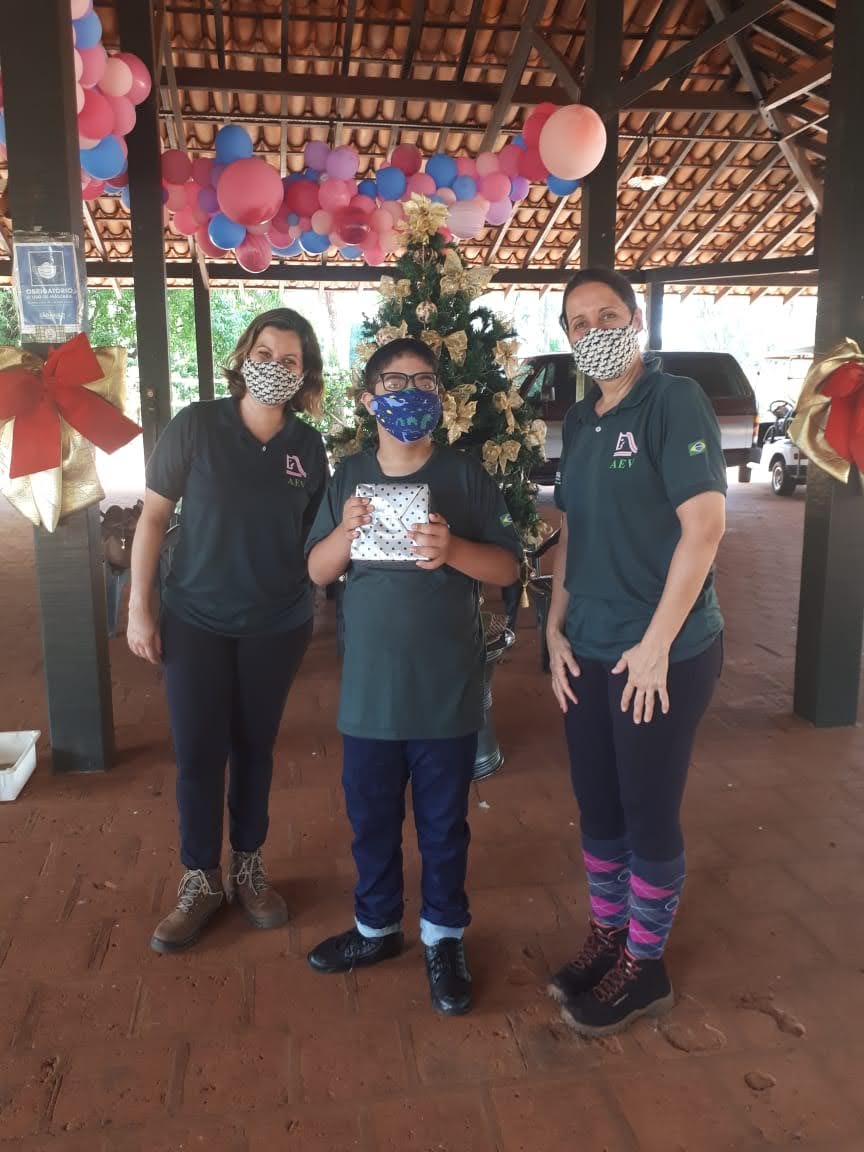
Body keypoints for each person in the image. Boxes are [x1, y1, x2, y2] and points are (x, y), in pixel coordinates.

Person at [304, 337, 521, 1015]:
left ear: (441, 399)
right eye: (394, 383)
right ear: (369, 401)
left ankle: (443, 936)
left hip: (445, 692)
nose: (410, 393)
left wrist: (453, 550)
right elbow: (316, 569)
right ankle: (375, 929)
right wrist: (345, 533)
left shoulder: (466, 476)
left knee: (443, 825)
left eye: (424, 382)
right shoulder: (349, 476)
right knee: (370, 819)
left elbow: (509, 567)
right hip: (370, 695)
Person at [546, 269, 726, 1037]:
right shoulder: (579, 421)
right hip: (586, 647)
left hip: (662, 656)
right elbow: (572, 532)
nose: (595, 331)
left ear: (637, 324)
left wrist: (655, 645)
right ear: (568, 339)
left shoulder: (672, 402)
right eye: (579, 323)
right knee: (599, 805)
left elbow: (705, 526)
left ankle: (645, 967)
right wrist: (553, 628)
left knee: (647, 810)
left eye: (608, 314)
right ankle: (610, 935)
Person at [127, 308, 328, 954]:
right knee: (197, 751)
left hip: (277, 624)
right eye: (265, 353)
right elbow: (153, 518)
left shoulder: (307, 448)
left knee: (254, 746)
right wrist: (139, 606)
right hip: (196, 619)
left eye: (290, 360)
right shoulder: (196, 426)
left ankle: (247, 865)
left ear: (304, 375)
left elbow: (315, 539)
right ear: (244, 356)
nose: (274, 367)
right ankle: (200, 878)